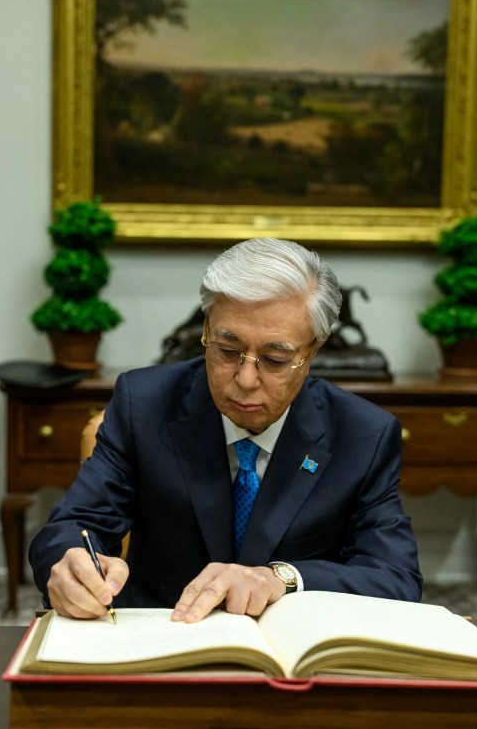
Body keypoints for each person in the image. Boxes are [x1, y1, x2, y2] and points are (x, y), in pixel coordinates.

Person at [29, 238, 421, 623]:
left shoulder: (363, 434)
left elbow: (396, 578)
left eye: (275, 359)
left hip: (291, 661)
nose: (246, 379)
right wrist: (68, 567)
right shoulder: (144, 404)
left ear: (313, 350)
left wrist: (282, 578)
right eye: (228, 350)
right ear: (206, 327)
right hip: (161, 641)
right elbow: (74, 525)